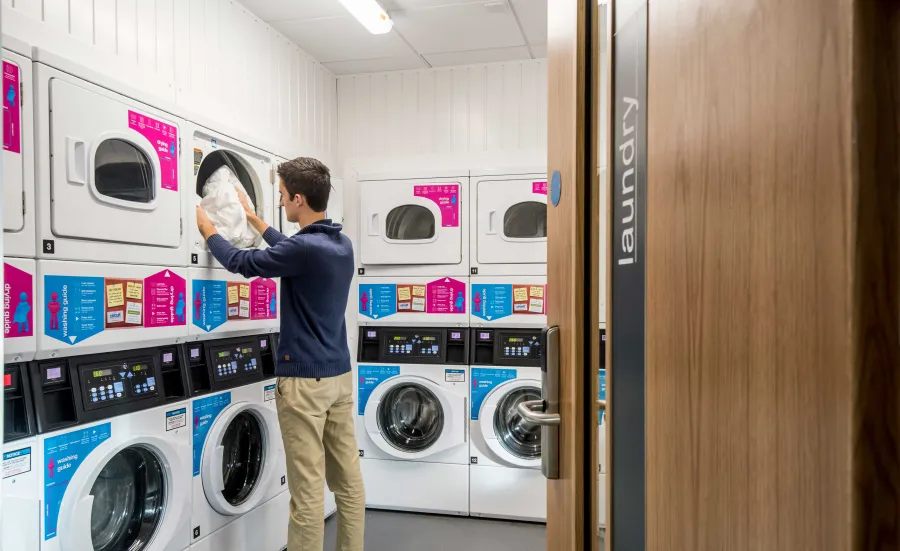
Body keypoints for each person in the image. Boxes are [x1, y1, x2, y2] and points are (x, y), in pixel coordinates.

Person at [196, 157, 363, 551]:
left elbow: (242, 262)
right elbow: (291, 251)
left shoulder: (304, 249)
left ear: (300, 199)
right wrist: (254, 220)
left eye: (284, 196)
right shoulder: (339, 244)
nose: (282, 201)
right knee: (348, 485)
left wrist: (208, 231)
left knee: (306, 493)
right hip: (339, 377)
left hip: (305, 383)